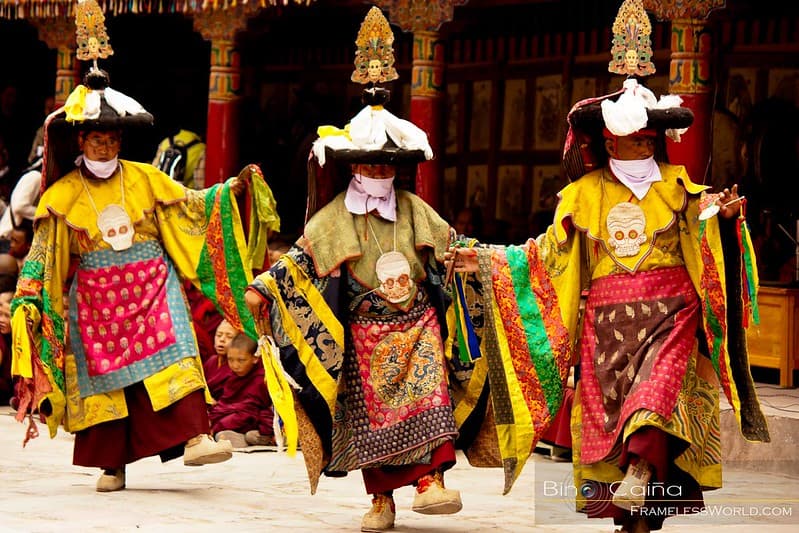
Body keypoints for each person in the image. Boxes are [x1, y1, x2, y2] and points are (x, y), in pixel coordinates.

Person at [244, 8, 570, 533]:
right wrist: (263, 288)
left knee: (431, 397)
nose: (379, 172)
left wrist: (479, 260)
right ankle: (381, 502)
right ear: (352, 165)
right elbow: (300, 261)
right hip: (365, 331)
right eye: (370, 163)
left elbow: (453, 246)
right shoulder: (333, 218)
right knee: (370, 420)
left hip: (417, 324)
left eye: (387, 164)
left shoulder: (415, 210)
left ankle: (432, 482)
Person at [451, 78, 770, 533]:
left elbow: (706, 243)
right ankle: (631, 520)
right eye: (630, 141)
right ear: (608, 142)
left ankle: (641, 471)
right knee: (609, 420)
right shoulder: (582, 195)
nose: (640, 149)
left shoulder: (679, 187)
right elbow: (546, 257)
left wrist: (723, 219)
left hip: (670, 315)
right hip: (606, 328)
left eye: (646, 141)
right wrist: (485, 259)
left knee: (655, 399)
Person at [10, 4, 258, 493]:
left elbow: (189, 208)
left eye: (111, 139)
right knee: (105, 378)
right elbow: (44, 250)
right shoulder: (60, 197)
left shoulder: (147, 178)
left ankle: (194, 438)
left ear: (121, 139)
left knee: (179, 350)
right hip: (96, 297)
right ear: (81, 139)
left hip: (151, 281)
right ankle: (111, 463)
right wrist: (30, 294)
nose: (104, 147)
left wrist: (228, 192)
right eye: (95, 139)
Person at [209, 332, 274, 448]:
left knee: (249, 435)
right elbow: (225, 403)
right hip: (238, 422)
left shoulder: (261, 378)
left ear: (255, 358)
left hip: (259, 424)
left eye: (241, 360)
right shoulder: (233, 377)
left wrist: (219, 424)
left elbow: (249, 411)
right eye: (230, 360)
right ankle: (243, 438)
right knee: (220, 433)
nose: (235, 365)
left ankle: (258, 438)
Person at [203, 319, 237, 400]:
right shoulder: (211, 361)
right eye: (218, 335)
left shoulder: (238, 367)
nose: (222, 339)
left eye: (229, 336)